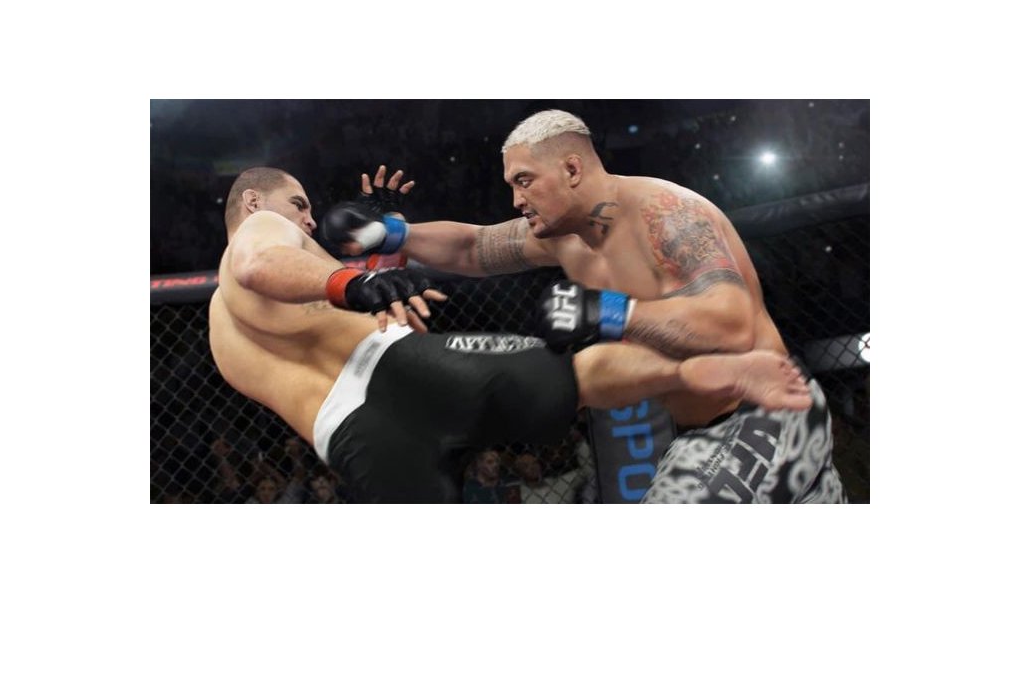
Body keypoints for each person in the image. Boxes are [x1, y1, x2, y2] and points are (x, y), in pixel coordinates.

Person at [320, 109, 846, 503]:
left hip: (762, 411)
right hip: (722, 423)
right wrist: (389, 233)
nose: (515, 199)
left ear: (572, 168)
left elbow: (731, 324)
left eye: (524, 181)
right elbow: (473, 247)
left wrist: (607, 311)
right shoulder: (565, 239)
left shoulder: (666, 214)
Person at [208, 166, 815, 503]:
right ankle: (698, 371)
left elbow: (327, 325)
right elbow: (261, 264)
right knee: (566, 375)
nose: (310, 217)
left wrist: (388, 246)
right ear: (254, 201)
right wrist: (355, 281)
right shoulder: (261, 232)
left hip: (353, 441)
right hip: (396, 373)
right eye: (300, 204)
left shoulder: (223, 331)